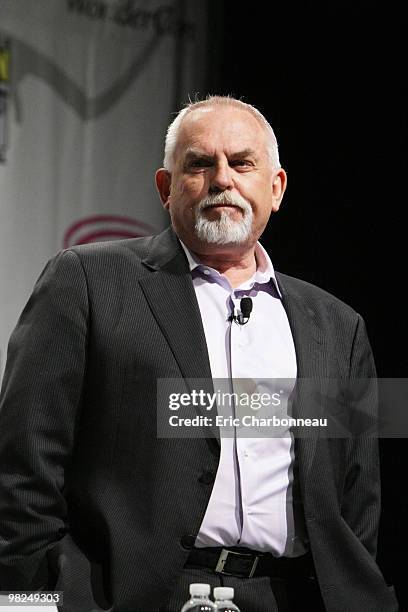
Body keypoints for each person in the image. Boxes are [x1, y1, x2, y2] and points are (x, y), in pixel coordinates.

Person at [0, 96, 398, 612]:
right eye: (200, 164)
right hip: (127, 599)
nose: (222, 179)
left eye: (242, 162)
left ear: (275, 188)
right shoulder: (86, 281)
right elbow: (21, 472)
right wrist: (27, 605)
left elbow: (356, 504)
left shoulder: (339, 326)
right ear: (166, 188)